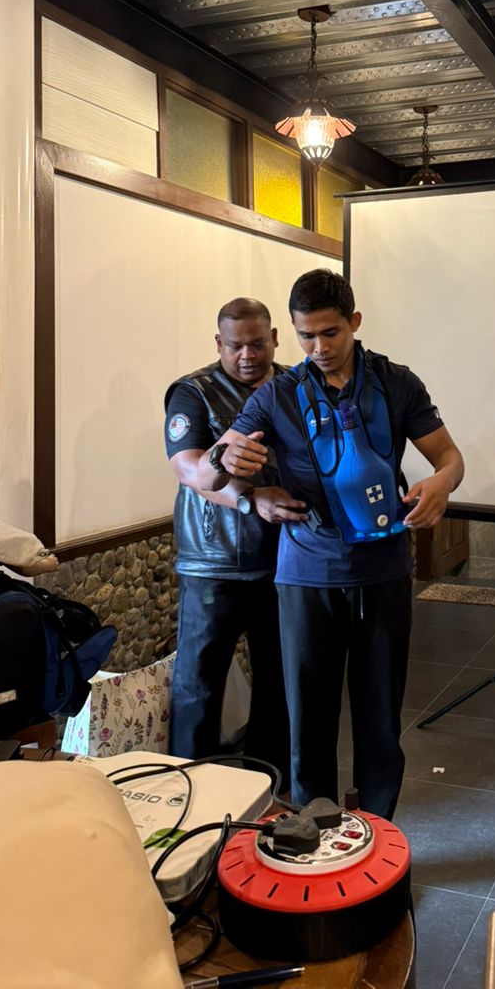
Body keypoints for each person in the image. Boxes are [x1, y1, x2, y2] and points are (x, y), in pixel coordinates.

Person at [194, 269, 464, 818]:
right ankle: (315, 829)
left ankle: (377, 825)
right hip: (306, 574)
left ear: (354, 322)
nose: (318, 348)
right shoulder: (277, 394)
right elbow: (208, 471)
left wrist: (441, 484)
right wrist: (226, 460)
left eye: (330, 333)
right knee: (309, 715)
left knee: (380, 714)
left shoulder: (396, 382)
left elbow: (449, 457)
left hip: (384, 569)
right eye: (305, 336)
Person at [164, 297, 290, 781]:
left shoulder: (295, 385)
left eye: (257, 344)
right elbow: (189, 469)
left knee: (280, 681)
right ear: (219, 343)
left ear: (274, 338)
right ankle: (187, 787)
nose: (247, 355)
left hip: (284, 558)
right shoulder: (192, 392)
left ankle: (268, 786)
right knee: (198, 683)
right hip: (212, 562)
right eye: (235, 346)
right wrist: (250, 499)